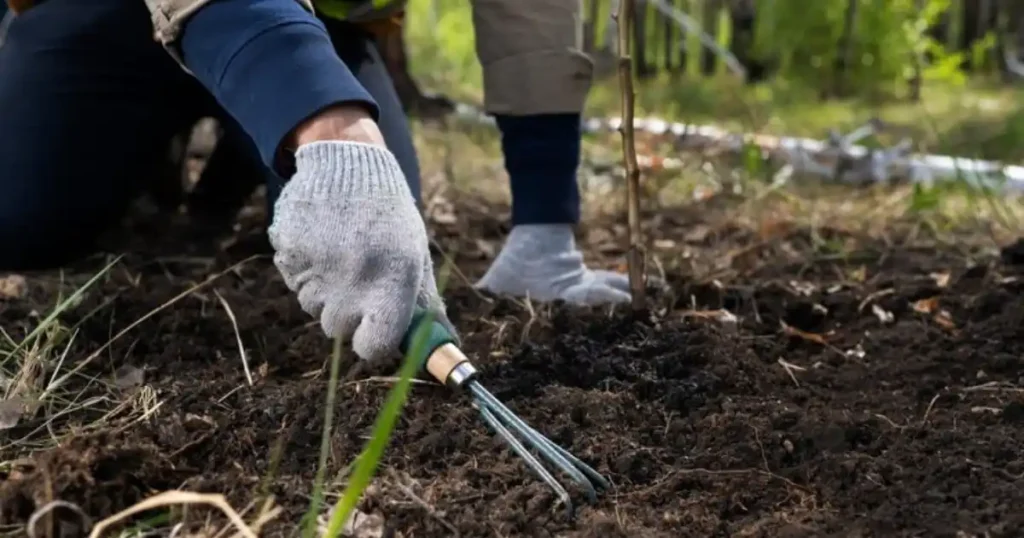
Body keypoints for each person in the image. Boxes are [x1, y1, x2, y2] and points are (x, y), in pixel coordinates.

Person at [0, 0, 633, 363]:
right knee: (23, 218)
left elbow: (530, 15)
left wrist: (544, 224)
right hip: (103, 20)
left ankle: (240, 145)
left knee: (372, 256)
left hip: (314, 27)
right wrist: (332, 127)